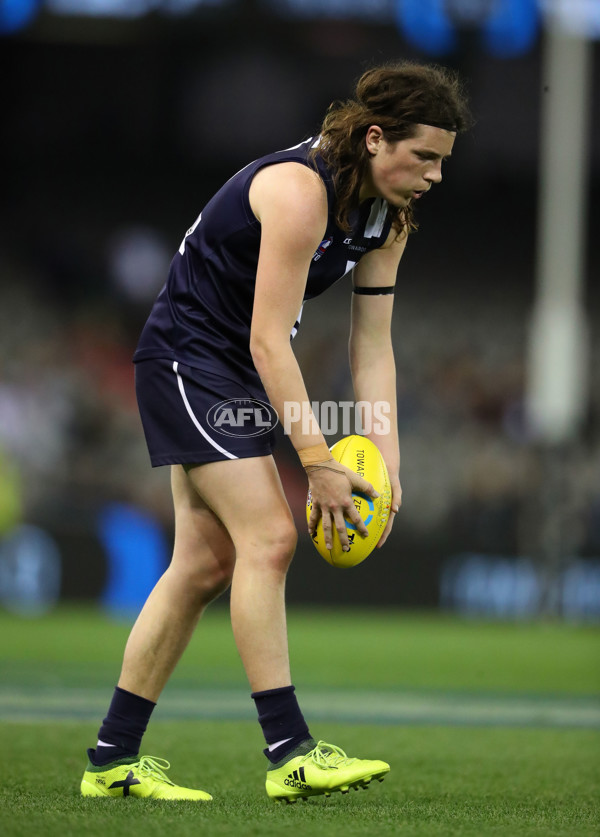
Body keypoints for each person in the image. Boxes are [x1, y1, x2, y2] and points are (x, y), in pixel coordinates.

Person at [80, 61, 471, 803]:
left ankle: (111, 759)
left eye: (443, 162)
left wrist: (387, 465)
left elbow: (372, 347)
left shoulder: (389, 217)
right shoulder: (299, 191)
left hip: (234, 371)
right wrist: (319, 461)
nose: (435, 176)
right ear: (377, 137)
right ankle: (291, 752)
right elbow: (267, 339)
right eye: (424, 157)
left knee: (200, 565)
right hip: (187, 361)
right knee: (271, 536)